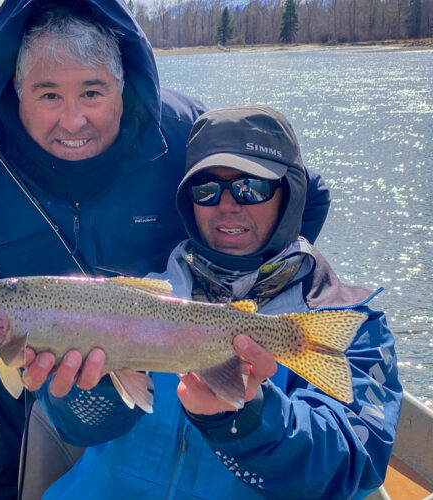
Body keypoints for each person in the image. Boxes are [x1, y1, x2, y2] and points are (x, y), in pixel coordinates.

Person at [0, 1, 330, 497]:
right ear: (16, 91)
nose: (73, 122)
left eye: (92, 92)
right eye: (49, 94)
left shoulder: (181, 131)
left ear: (122, 88)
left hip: (175, 353)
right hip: (32, 363)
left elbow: (303, 195)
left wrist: (231, 301)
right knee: (16, 466)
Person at [29, 106, 403, 499]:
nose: (227, 205)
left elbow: (355, 468)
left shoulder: (350, 320)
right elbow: (79, 429)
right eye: (206, 190)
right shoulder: (135, 291)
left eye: (251, 187)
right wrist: (92, 387)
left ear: (290, 194)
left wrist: (248, 419)